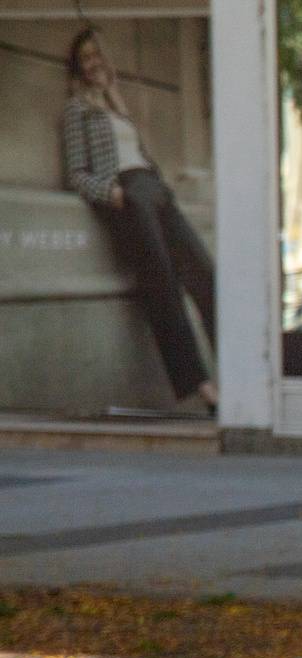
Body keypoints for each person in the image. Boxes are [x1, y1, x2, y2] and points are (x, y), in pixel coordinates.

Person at [61, 26, 218, 412]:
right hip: (126, 194)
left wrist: (158, 182)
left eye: (98, 54)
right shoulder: (76, 110)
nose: (94, 62)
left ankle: (240, 371)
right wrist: (111, 194)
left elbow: (139, 154)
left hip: (155, 189)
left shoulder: (117, 105)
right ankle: (201, 388)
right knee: (161, 283)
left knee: (204, 272)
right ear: (79, 69)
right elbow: (77, 174)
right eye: (86, 58)